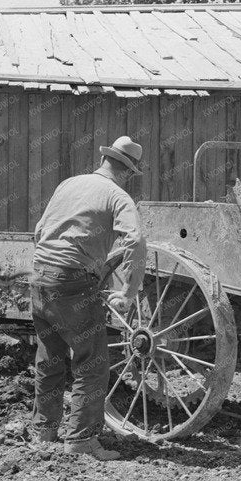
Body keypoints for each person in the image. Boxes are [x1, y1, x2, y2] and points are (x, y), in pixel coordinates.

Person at [29, 135, 147, 460]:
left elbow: (39, 231)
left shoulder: (68, 185)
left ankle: (44, 432)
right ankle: (82, 441)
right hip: (72, 280)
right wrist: (128, 291)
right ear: (127, 171)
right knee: (92, 363)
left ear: (106, 160)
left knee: (50, 358)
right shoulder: (118, 196)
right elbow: (135, 241)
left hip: (40, 276)